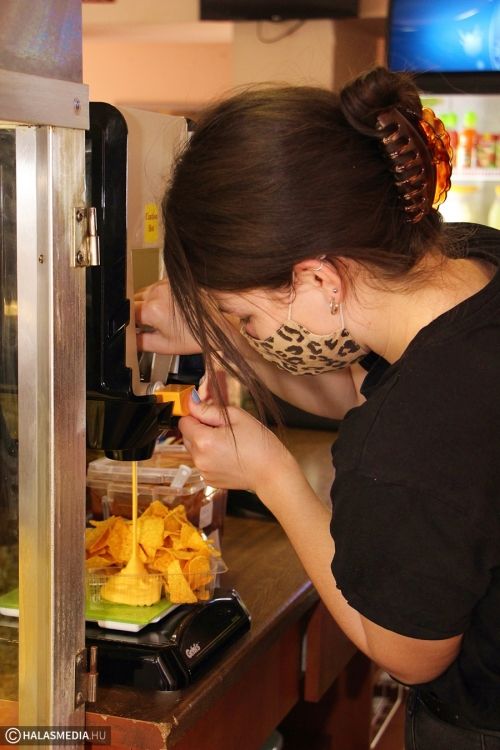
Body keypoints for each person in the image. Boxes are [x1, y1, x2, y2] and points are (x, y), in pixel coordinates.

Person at [135, 67, 500, 749]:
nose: (245, 331)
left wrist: (271, 475)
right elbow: (360, 385)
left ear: (317, 277)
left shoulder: (407, 440)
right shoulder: (469, 262)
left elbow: (408, 653)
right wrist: (223, 333)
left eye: (243, 315)